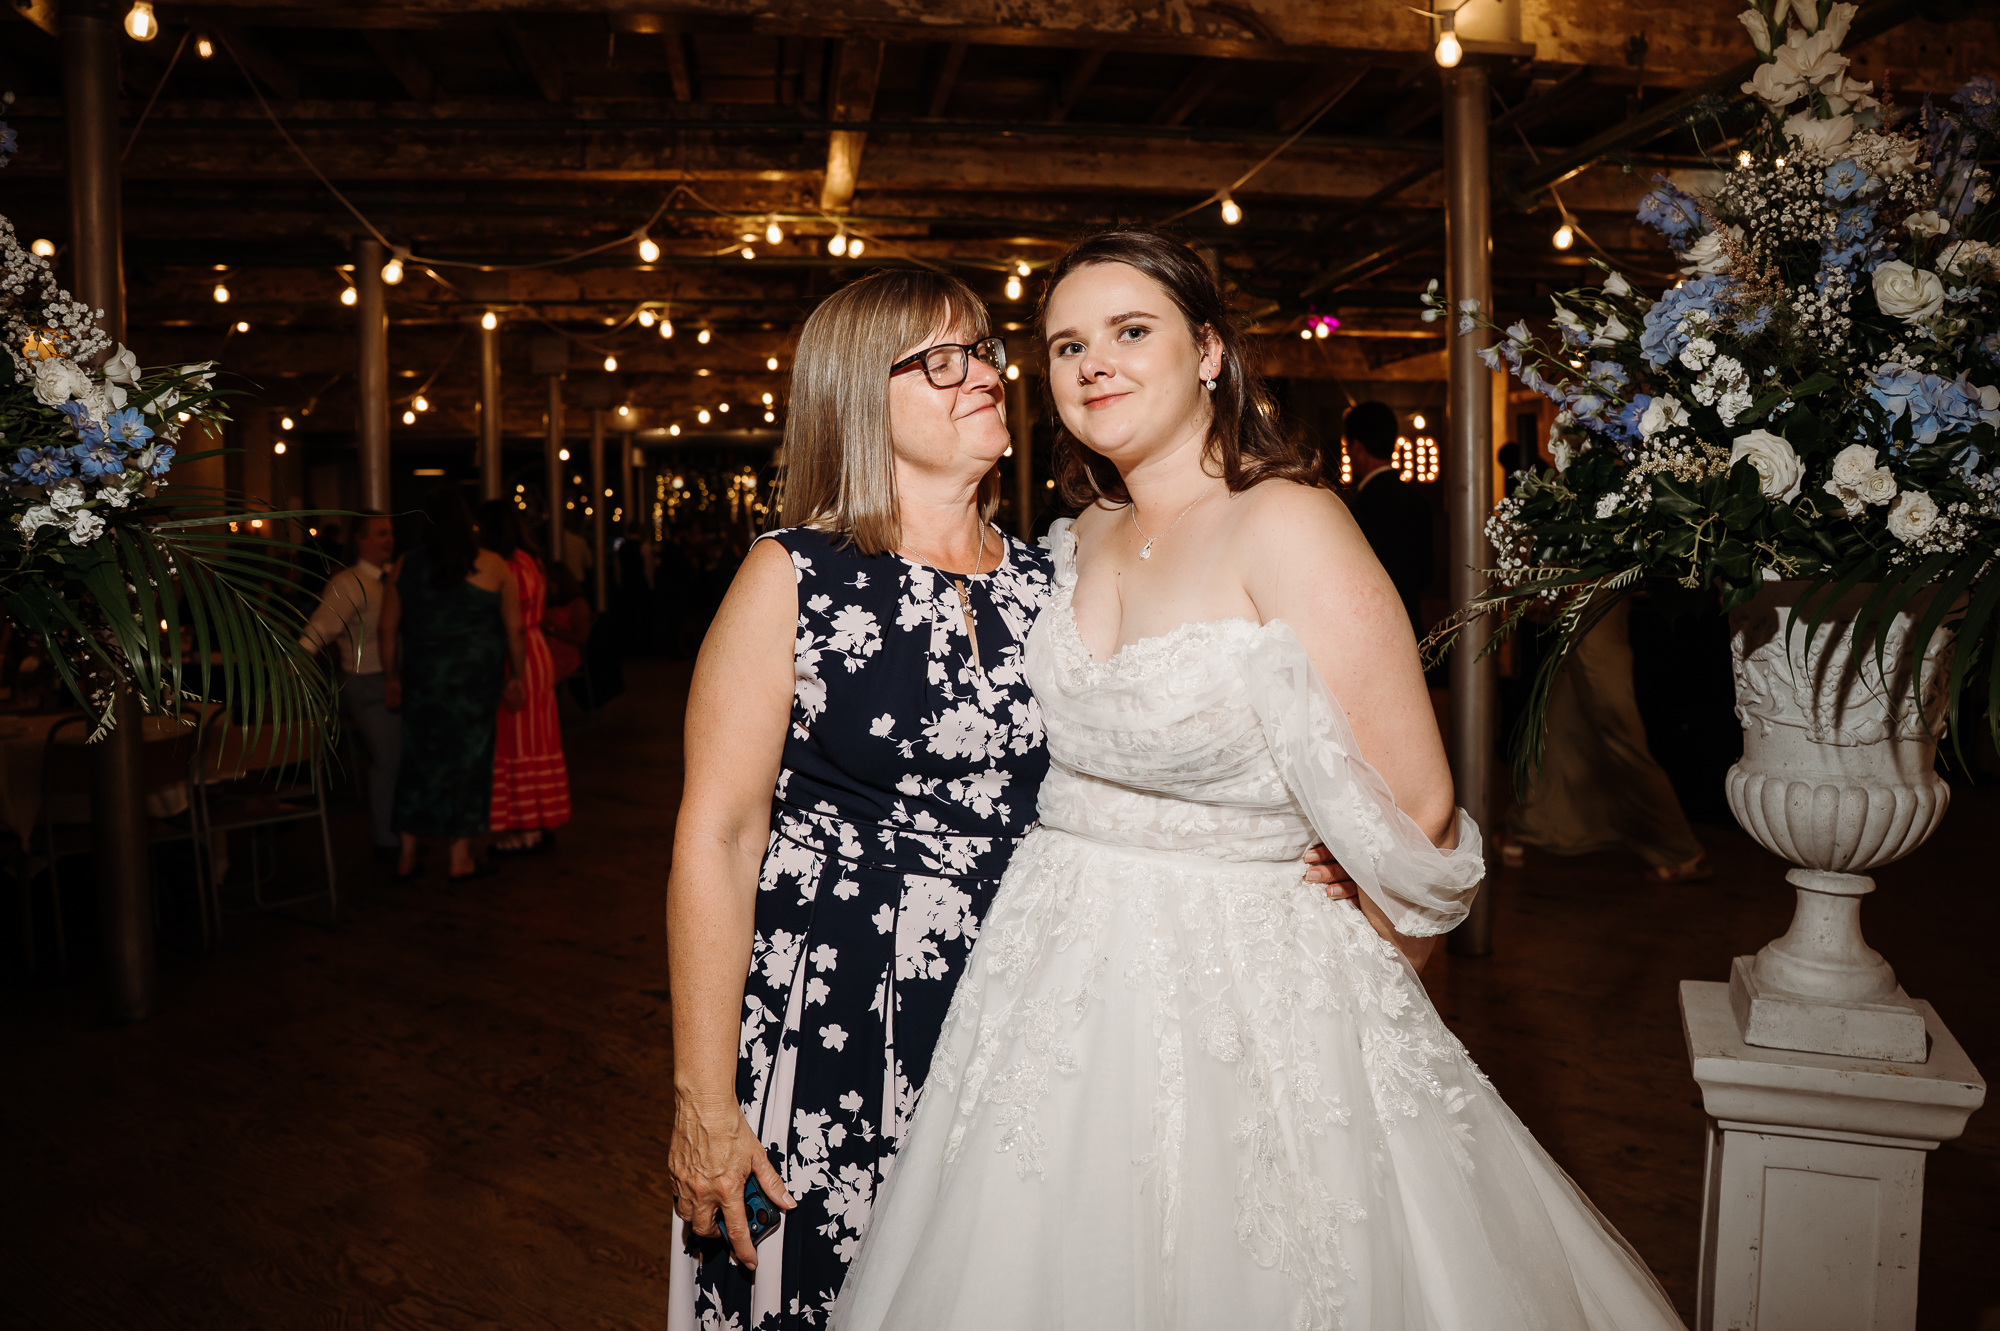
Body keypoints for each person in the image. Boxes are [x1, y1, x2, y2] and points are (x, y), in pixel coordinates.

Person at [833, 230, 1687, 1331]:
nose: (1093, 361)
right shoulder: (1083, 534)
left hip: (1235, 974)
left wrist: (1363, 942)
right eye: (1065, 344)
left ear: (1208, 352)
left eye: (1129, 331)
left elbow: (1418, 800)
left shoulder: (1286, 519)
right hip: (1048, 968)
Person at [662, 266, 1356, 1330]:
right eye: (939, 360)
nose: (983, 373)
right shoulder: (793, 575)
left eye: (983, 348)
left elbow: (1169, 738)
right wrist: (703, 1102)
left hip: (1033, 1002)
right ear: (857, 394)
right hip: (838, 1007)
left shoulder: (1056, 577)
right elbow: (716, 835)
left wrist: (1306, 842)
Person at [1503, 599, 1711, 883]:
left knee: (1619, 734)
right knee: (1560, 723)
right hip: (1579, 606)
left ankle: (1681, 849)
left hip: (1595, 602)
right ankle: (1526, 824)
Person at [379, 486, 524, 881]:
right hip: (474, 687)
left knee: (417, 762)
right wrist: (517, 676)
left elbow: (388, 628)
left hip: (424, 681)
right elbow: (515, 629)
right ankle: (460, 858)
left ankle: (407, 852)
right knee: (468, 766)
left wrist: (392, 677)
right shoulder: (493, 565)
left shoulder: (406, 564)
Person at [297, 511, 400, 860]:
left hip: (396, 680)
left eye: (391, 533)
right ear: (360, 539)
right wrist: (292, 666)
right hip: (365, 682)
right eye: (381, 533)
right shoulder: (349, 583)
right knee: (387, 759)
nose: (389, 539)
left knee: (399, 758)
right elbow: (320, 628)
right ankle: (387, 840)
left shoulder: (392, 579)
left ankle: (402, 834)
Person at [475, 500, 572, 857]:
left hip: (517, 653)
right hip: (536, 649)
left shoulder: (505, 566)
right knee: (537, 740)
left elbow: (508, 622)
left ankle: (521, 829)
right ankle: (536, 822)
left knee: (515, 742)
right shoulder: (531, 561)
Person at [1342, 399, 1433, 636]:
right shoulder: (1419, 503)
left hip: (1371, 630)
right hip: (1411, 626)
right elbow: (1426, 576)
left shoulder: (1358, 509)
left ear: (1357, 447)